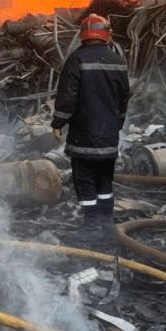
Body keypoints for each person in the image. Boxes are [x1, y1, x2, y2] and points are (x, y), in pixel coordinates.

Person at [51, 14, 130, 235]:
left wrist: (58, 122)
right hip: (108, 135)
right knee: (105, 178)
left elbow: (67, 96)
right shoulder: (118, 62)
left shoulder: (77, 60)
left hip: (83, 134)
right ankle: (106, 221)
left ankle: (92, 225)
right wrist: (118, 122)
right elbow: (125, 97)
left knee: (84, 178)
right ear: (107, 34)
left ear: (82, 34)